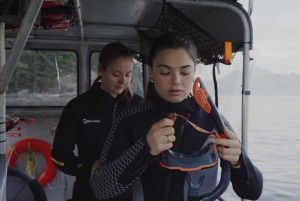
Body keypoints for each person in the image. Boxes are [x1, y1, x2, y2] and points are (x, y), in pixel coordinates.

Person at [89, 32, 263, 201]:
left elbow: (253, 193)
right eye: (165, 72)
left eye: (185, 72)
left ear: (195, 71)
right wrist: (144, 149)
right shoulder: (129, 120)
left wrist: (238, 161)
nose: (176, 80)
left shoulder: (215, 122)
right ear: (151, 71)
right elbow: (101, 190)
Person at [51, 42, 143, 201]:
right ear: (101, 69)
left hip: (126, 195)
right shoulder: (78, 107)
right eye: (116, 74)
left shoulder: (139, 106)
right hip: (88, 194)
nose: (123, 81)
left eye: (128, 74)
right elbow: (59, 156)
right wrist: (91, 166)